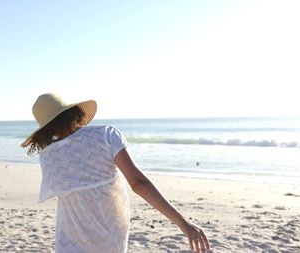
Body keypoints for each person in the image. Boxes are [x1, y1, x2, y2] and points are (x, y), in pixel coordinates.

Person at [21, 93, 210, 253]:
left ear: (45, 129)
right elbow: (137, 183)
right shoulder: (106, 135)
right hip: (109, 240)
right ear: (72, 112)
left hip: (69, 244)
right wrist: (183, 224)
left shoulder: (48, 157)